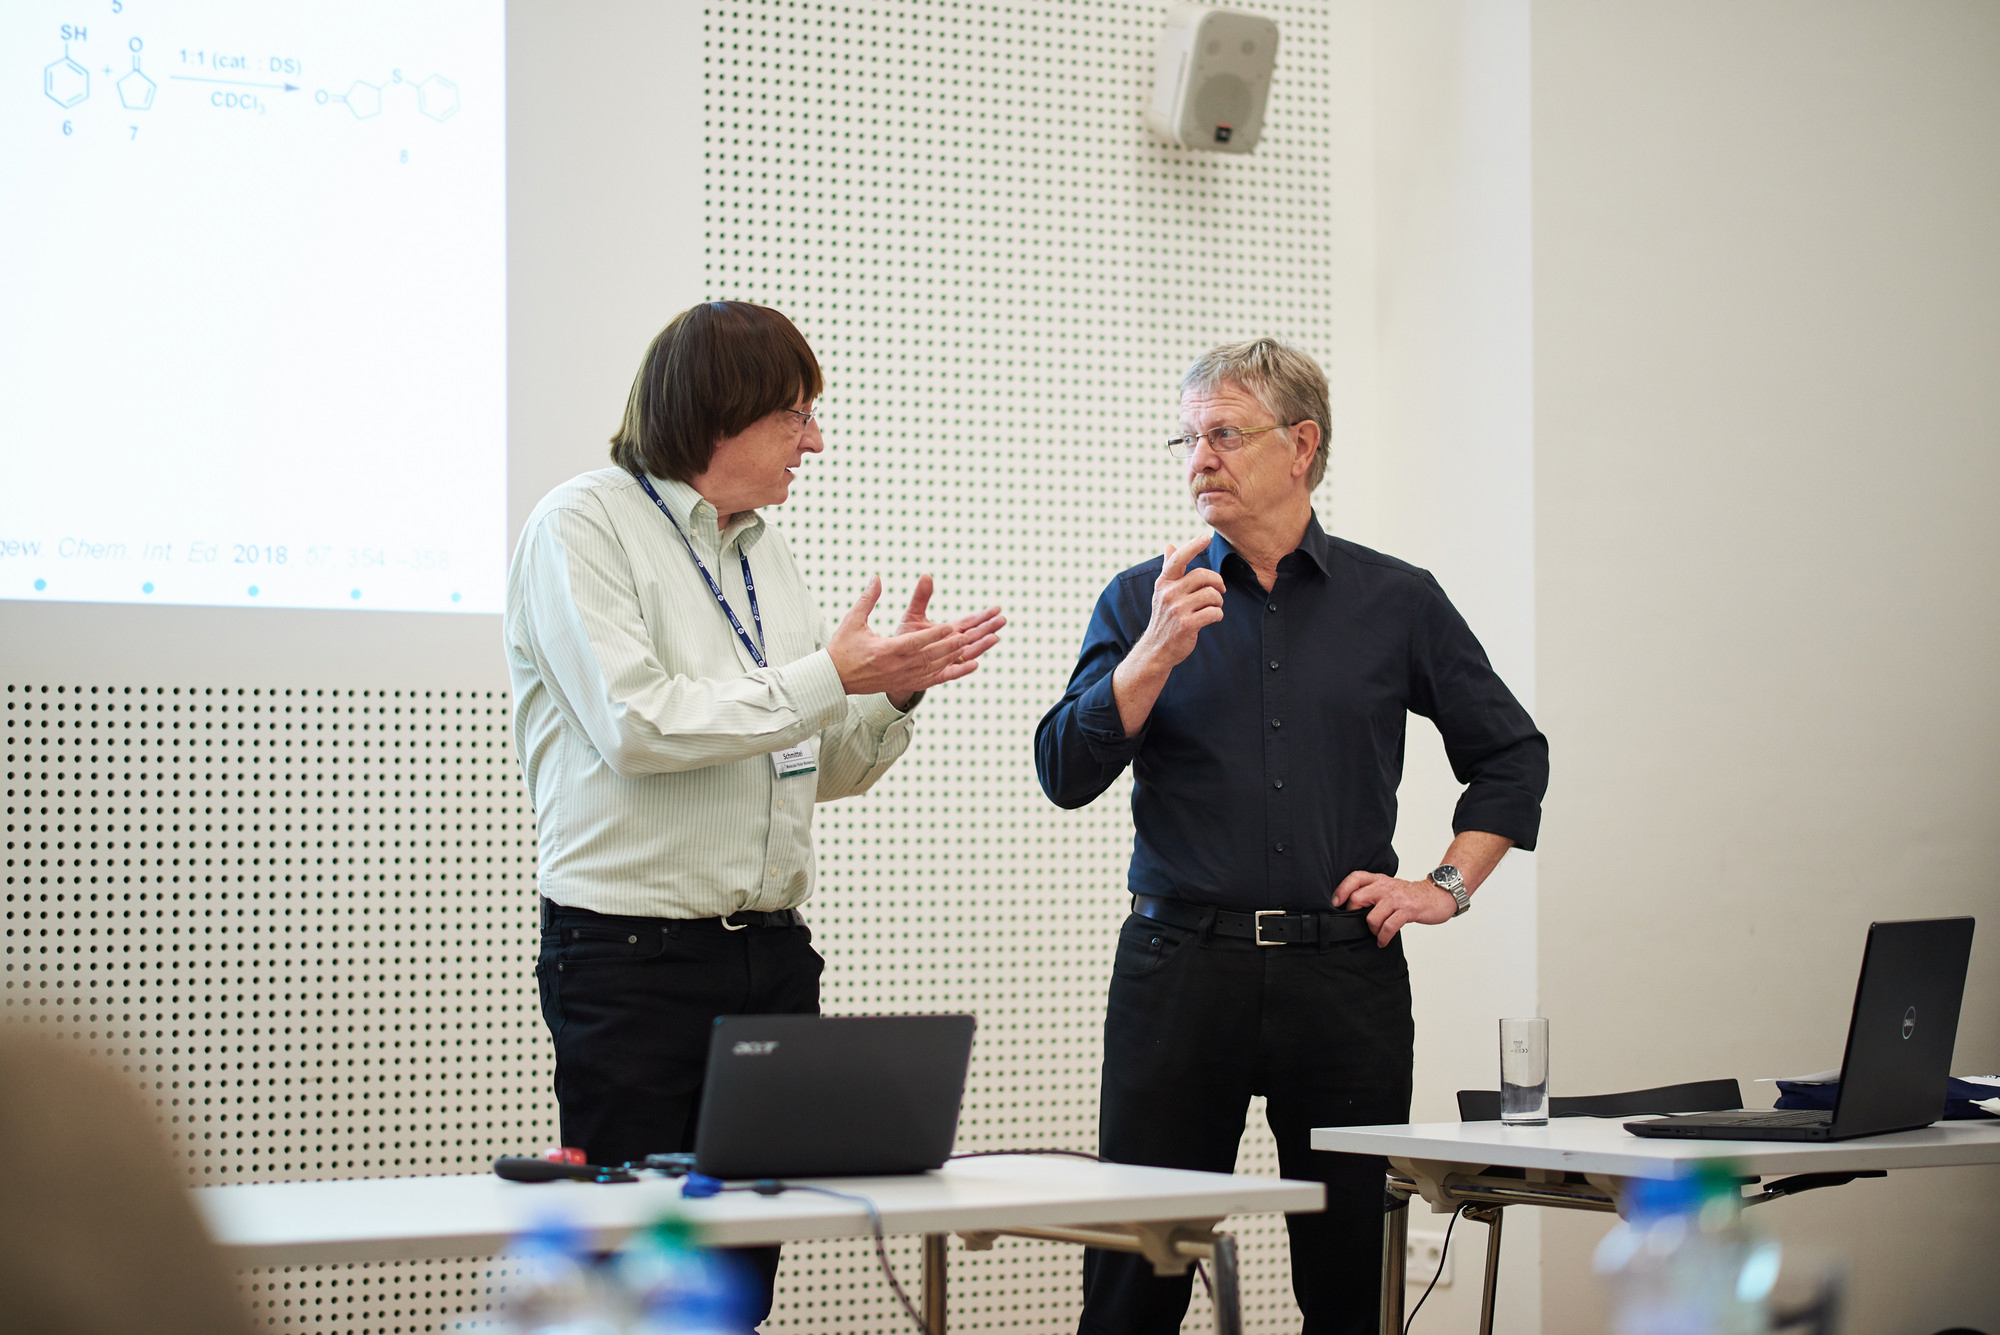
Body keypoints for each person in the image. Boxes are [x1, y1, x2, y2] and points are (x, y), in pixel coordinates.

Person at [505, 301, 1004, 1326]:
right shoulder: (580, 525)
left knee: (739, 1286)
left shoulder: (760, 549)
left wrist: (892, 690)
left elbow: (810, 765)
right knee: (641, 1291)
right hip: (629, 961)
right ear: (716, 416)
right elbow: (637, 728)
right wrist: (830, 671)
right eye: (795, 416)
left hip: (769, 959)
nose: (814, 440)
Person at [1035, 338, 1548, 1334]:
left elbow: (1510, 757)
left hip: (1341, 977)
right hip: (1178, 970)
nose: (1196, 460)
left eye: (1222, 434)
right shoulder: (1142, 598)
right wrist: (1148, 658)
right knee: (1133, 1281)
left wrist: (1441, 886)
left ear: (1300, 445)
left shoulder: (1397, 601)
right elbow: (1063, 771)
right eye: (1184, 439)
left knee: (1347, 1276)